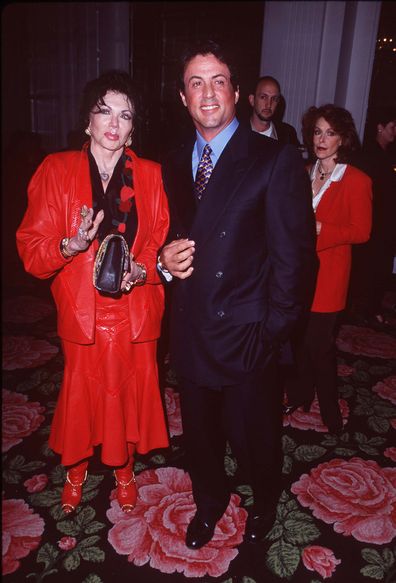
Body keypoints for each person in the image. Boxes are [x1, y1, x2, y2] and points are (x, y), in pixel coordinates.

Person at [158, 40, 316, 549]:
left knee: (255, 440)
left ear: (238, 93)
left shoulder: (274, 158)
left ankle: (264, 500)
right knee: (200, 439)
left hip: (247, 333)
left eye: (218, 81)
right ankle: (209, 503)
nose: (207, 93)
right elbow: (168, 234)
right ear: (183, 97)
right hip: (191, 330)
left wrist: (272, 332)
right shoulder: (173, 161)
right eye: (195, 83)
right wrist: (164, 259)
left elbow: (296, 259)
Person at [16, 70, 170, 515]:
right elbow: (31, 249)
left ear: (134, 127)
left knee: (128, 393)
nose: (114, 123)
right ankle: (76, 469)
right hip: (83, 310)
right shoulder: (56, 169)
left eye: (125, 115)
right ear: (87, 120)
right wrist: (71, 244)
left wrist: (141, 271)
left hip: (133, 308)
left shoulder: (153, 175)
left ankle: (124, 470)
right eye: (104, 111)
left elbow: (162, 245)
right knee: (82, 393)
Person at [284, 104, 372, 433]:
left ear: (343, 139)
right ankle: (300, 394)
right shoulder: (304, 171)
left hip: (329, 277)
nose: (322, 139)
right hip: (297, 274)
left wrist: (322, 230)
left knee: (319, 346)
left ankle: (332, 412)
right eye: (318, 131)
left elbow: (361, 232)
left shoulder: (356, 180)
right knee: (298, 341)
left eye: (330, 133)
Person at [351, 106, 396, 326]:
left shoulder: (387, 155)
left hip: (385, 221)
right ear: (380, 127)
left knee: (380, 267)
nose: (394, 131)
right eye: (391, 127)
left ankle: (370, 307)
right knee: (369, 268)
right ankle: (366, 309)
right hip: (374, 221)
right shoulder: (368, 155)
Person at [248, 75, 299, 145]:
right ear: (252, 100)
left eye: (274, 99)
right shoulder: (237, 131)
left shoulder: (288, 134)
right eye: (263, 97)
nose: (268, 104)